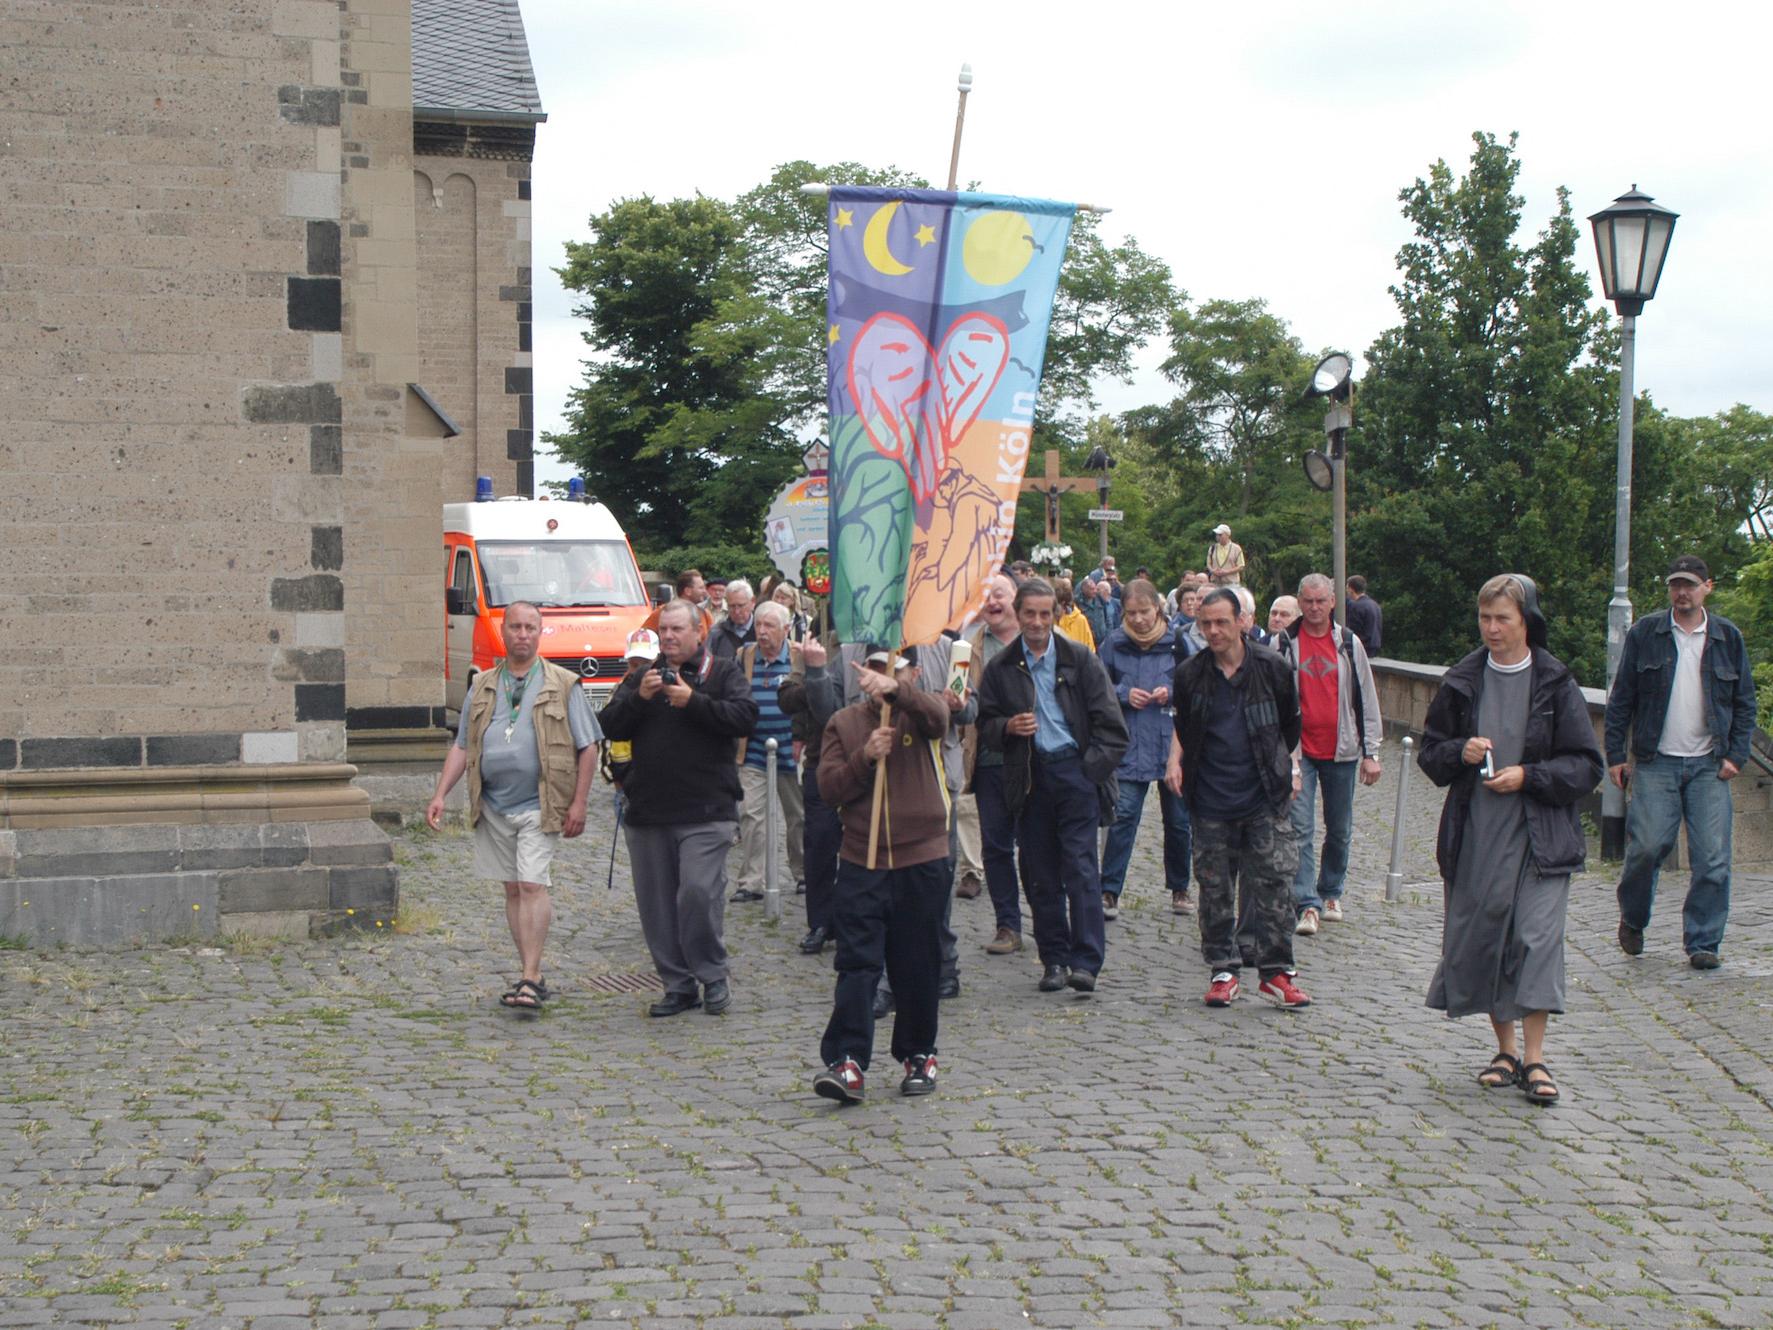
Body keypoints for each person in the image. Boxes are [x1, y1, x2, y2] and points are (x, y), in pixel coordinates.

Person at [1419, 575, 1602, 1105]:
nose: (1493, 629)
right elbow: (1433, 755)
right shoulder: (1463, 679)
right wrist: (1461, 753)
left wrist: (1530, 776)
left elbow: (1586, 766)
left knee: (1537, 938)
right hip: (1479, 831)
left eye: (1503, 619)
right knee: (1491, 935)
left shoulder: (1555, 681)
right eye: (1485, 618)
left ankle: (1538, 1057)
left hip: (1542, 835)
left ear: (1527, 622)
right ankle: (1506, 1051)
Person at [426, 601, 599, 1011]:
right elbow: (463, 744)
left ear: (541, 633)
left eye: (530, 628)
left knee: (531, 883)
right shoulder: (483, 684)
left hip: (541, 802)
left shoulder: (562, 684)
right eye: (516, 627)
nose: (523, 634)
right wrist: (439, 794)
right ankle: (528, 970)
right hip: (493, 804)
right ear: (503, 633)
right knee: (512, 887)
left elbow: (588, 746)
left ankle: (530, 976)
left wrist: (579, 804)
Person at [598, 599, 759, 1017]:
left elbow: (744, 718)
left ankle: (713, 976)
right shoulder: (642, 676)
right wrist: (639, 699)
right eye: (663, 630)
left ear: (699, 632)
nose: (668, 637)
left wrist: (695, 702)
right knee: (656, 906)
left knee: (697, 894)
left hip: (707, 810)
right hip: (649, 810)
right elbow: (608, 724)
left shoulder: (721, 672)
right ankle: (677, 984)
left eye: (676, 630)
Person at [812, 650, 953, 1104]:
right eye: (874, 667)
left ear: (911, 672)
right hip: (862, 859)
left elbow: (941, 719)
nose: (881, 676)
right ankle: (848, 1060)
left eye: (892, 668)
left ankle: (918, 1054)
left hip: (922, 858)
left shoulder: (922, 708)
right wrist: (865, 758)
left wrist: (901, 693)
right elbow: (829, 786)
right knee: (857, 962)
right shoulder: (844, 721)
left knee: (917, 963)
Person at [1607, 555, 1759, 970]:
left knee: (1712, 858)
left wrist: (1736, 755)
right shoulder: (1646, 634)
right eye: (1676, 584)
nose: (1682, 592)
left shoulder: (1728, 637)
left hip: (1710, 763)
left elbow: (1746, 703)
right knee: (1646, 849)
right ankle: (1634, 918)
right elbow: (1621, 700)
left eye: (1690, 584)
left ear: (1707, 586)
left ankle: (1703, 942)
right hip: (1657, 760)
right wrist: (1616, 755)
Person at [978, 577, 1128, 994]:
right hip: (1029, 776)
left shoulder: (1080, 659)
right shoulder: (1003, 667)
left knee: (1080, 867)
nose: (1038, 622)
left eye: (1046, 614)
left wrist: (1089, 769)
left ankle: (1085, 961)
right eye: (1030, 614)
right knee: (1039, 872)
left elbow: (1112, 727)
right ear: (1018, 614)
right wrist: (1007, 726)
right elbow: (984, 724)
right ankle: (1054, 959)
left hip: (1074, 772)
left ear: (1056, 614)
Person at [1165, 588, 1309, 1009]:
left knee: (1275, 885)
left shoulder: (1272, 668)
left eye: (1221, 622)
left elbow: (1290, 727)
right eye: (1205, 624)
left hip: (1263, 795)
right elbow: (1185, 728)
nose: (1213, 631)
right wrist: (1177, 762)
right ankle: (1223, 970)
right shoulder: (1190, 674)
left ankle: (1277, 972)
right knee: (1215, 890)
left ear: (1241, 622)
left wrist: (1286, 770)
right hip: (1210, 798)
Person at [1276, 574, 1383, 935]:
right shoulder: (1285, 642)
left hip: (1343, 749)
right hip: (1299, 751)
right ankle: (1307, 903)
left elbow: (1366, 698)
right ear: (1300, 602)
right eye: (1307, 601)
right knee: (1300, 827)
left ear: (1333, 601)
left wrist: (1373, 752)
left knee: (1339, 829)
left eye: (1321, 601)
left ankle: (1331, 891)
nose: (1314, 608)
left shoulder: (1349, 644)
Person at [1098, 579, 1194, 919]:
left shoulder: (1178, 642)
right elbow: (1096, 686)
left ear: (1158, 608)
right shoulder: (1113, 642)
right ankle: (1109, 890)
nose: (1138, 619)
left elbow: (1197, 683)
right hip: (1130, 743)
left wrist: (1170, 690)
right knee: (1122, 818)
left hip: (1171, 745)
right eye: (1131, 613)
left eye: (1144, 612)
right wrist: (1124, 693)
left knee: (1179, 822)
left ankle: (1180, 888)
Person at [960, 573, 1028, 953]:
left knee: (1036, 848)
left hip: (1036, 762)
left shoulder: (1039, 640)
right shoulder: (968, 648)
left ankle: (1048, 920)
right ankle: (1008, 926)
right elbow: (960, 706)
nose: (991, 602)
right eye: (983, 596)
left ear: (1016, 598)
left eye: (998, 594)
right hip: (987, 759)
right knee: (996, 847)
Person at [729, 602, 806, 905]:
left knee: (798, 816)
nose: (762, 631)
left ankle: (803, 874)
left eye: (770, 626)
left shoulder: (799, 656)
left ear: (786, 629)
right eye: (759, 625)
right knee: (752, 815)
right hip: (754, 749)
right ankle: (752, 880)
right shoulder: (744, 657)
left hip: (792, 748)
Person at [779, 632, 841, 954]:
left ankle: (855, 920)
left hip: (866, 762)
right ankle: (820, 922)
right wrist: (816, 682)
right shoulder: (817, 644)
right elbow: (786, 696)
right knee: (818, 844)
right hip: (822, 759)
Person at [643, 568, 714, 636]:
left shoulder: (705, 615)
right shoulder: (663, 612)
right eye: (701, 588)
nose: (705, 591)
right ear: (688, 591)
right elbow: (642, 637)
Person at [708, 578, 757, 660]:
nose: (737, 611)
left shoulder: (761, 631)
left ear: (752, 602)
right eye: (732, 606)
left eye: (741, 606)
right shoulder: (717, 632)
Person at [1052, 577, 1096, 650]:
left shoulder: (1080, 620)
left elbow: (1090, 651)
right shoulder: (1045, 622)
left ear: (1063, 603)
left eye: (1054, 606)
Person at [1344, 575, 1382, 659]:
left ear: (1351, 589)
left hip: (1362, 649)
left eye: (1347, 588)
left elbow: (1354, 631)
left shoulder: (1356, 607)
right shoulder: (1374, 604)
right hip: (1374, 647)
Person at [1080, 575, 1122, 646]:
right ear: (1084, 590)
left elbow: (1107, 617)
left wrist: (1107, 635)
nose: (1095, 591)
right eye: (1092, 589)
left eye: (1095, 588)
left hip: (1103, 640)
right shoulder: (1078, 603)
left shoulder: (1099, 599)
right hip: (1089, 641)